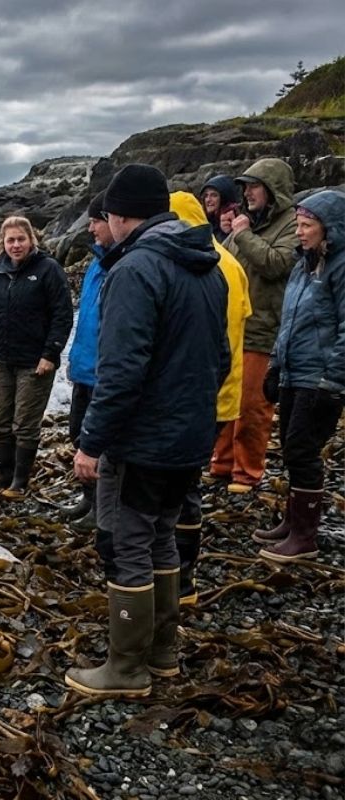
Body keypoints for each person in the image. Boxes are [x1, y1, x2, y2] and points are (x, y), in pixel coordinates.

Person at [66, 164, 229, 699]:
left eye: (103, 218)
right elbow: (220, 357)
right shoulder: (206, 264)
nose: (99, 229)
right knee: (162, 537)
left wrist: (91, 442)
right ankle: (162, 654)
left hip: (143, 440)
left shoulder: (135, 270)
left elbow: (121, 371)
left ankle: (125, 668)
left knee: (126, 543)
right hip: (189, 434)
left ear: (118, 215)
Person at [169, 191, 252, 604]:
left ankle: (181, 578)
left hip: (203, 393)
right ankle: (183, 575)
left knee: (180, 491)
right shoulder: (230, 264)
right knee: (187, 485)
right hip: (224, 388)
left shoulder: (205, 266)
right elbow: (243, 320)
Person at [253, 190, 345, 561]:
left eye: (307, 226)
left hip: (320, 378)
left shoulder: (340, 266)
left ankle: (304, 538)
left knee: (302, 451)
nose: (300, 232)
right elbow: (288, 320)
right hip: (294, 372)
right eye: (298, 224)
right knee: (291, 450)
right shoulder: (303, 264)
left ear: (330, 229)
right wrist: (276, 364)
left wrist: (333, 380)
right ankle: (293, 521)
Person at [213, 158, 298, 493]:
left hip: (264, 331)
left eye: (254, 186)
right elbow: (222, 259)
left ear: (273, 189)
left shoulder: (290, 223)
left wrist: (243, 233)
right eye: (245, 187)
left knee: (252, 406)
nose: (247, 192)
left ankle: (247, 472)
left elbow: (277, 263)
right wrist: (232, 233)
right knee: (226, 399)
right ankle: (221, 464)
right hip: (233, 327)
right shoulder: (245, 223)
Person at [0, 217, 73, 493]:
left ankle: (20, 481)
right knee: (0, 420)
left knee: (25, 424)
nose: (16, 245)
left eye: (21, 239)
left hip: (36, 360)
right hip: (1, 358)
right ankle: (4, 475)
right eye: (10, 240)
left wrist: (50, 353)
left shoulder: (48, 269)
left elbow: (62, 315)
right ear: (3, 243)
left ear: (32, 240)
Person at [61, 192, 113, 534]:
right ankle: (88, 498)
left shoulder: (122, 265)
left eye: (95, 221)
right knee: (78, 434)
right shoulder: (97, 262)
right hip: (84, 367)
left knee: (101, 444)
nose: (90, 227)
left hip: (104, 372)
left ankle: (103, 508)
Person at [199, 175, 241, 243]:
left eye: (214, 195)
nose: (208, 200)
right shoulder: (204, 222)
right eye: (206, 196)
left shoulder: (235, 219)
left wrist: (227, 233)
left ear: (224, 197)